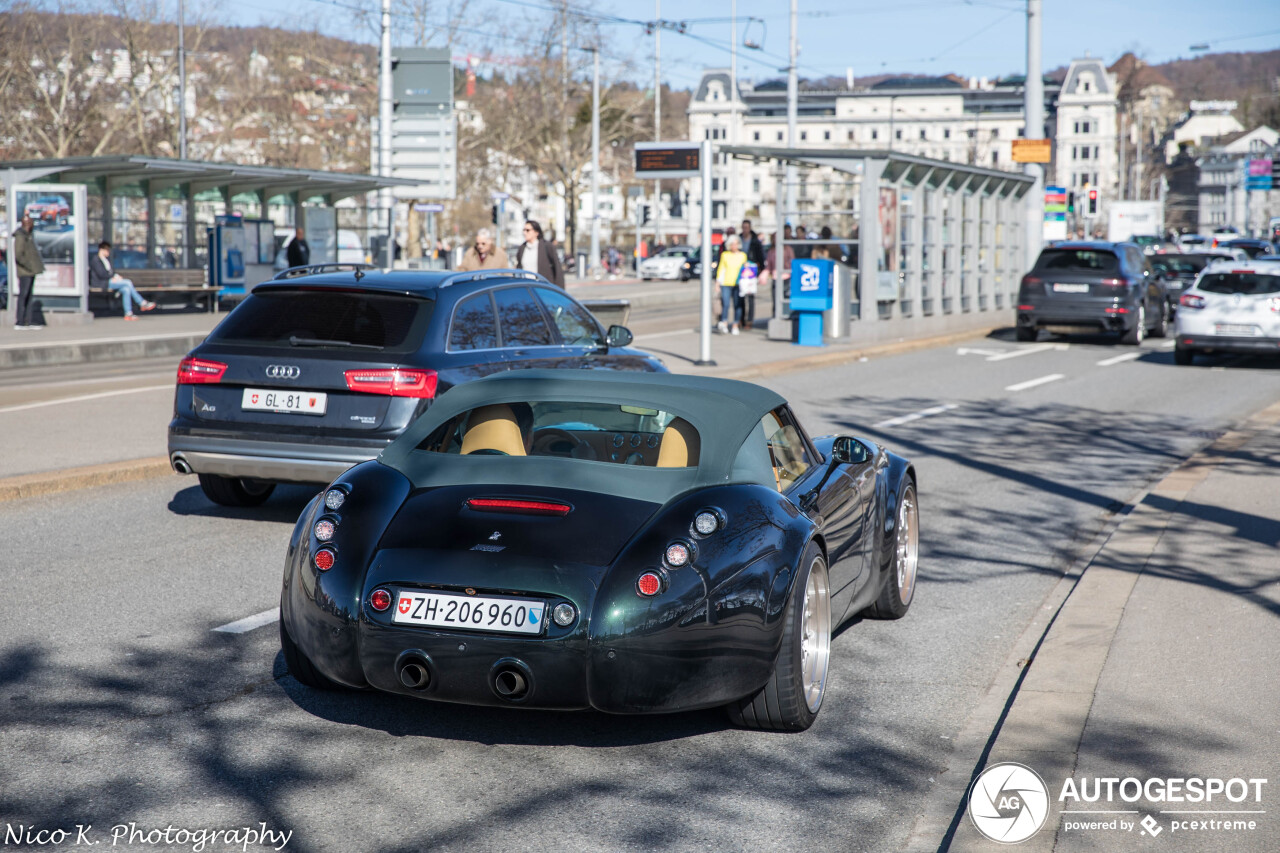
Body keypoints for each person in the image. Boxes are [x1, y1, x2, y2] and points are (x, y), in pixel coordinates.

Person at [89, 240, 155, 321]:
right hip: (101, 283)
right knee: (128, 282)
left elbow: (111, 272)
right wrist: (112, 277)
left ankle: (128, 314)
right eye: (107, 250)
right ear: (101, 249)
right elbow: (101, 274)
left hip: (109, 281)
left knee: (126, 289)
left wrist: (115, 276)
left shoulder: (106, 260)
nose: (108, 252)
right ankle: (142, 303)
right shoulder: (96, 260)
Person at [12, 214, 45, 330]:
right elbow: (19, 255)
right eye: (30, 223)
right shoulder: (21, 236)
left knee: (29, 296)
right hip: (25, 271)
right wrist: (29, 266)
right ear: (26, 224)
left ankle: (28, 320)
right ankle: (20, 321)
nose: (32, 225)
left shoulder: (28, 235)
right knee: (24, 295)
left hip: (30, 271)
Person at [515, 220, 564, 287]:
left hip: (543, 288)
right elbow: (519, 268)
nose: (525, 233)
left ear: (536, 232)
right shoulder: (522, 248)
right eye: (524, 230)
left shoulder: (547, 246)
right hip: (526, 288)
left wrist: (559, 290)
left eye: (528, 230)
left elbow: (557, 269)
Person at [714, 234, 747, 335]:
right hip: (726, 283)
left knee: (738, 305)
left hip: (738, 284)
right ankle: (724, 322)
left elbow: (745, 270)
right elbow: (721, 269)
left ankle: (735, 324)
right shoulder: (725, 255)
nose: (734, 246)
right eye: (732, 244)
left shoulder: (742, 255)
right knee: (726, 304)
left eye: (736, 244)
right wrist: (717, 283)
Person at [764, 230, 795, 307]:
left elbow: (792, 262)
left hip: (786, 277)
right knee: (775, 300)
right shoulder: (771, 251)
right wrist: (765, 273)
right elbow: (769, 265)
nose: (776, 240)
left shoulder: (788, 249)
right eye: (774, 238)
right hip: (775, 277)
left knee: (785, 298)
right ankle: (775, 314)